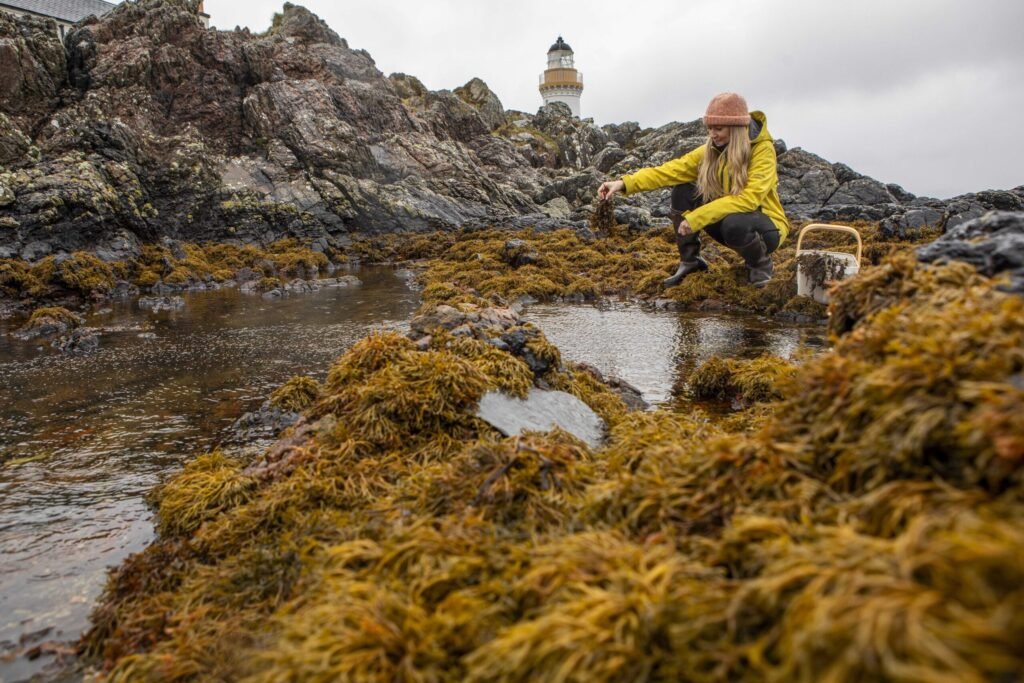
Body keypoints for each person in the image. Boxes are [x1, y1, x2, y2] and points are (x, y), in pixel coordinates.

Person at [597, 92, 789, 288]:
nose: (712, 134)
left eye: (718, 129)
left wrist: (697, 218)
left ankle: (760, 268)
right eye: (710, 128)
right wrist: (623, 183)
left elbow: (749, 198)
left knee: (735, 222)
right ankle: (691, 261)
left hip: (766, 228)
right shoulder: (712, 149)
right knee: (684, 188)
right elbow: (670, 171)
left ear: (736, 127)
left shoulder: (762, 150)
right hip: (729, 222)